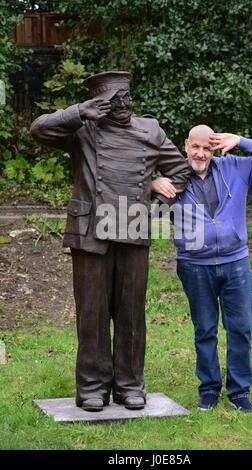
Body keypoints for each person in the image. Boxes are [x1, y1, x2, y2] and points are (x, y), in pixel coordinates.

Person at [30, 71, 190, 412]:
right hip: (90, 231)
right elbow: (38, 129)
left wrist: (151, 202)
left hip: (133, 227)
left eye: (127, 97)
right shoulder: (82, 130)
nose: (123, 105)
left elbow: (180, 172)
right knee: (92, 312)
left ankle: (130, 385)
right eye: (114, 100)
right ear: (99, 102)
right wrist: (79, 111)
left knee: (131, 313)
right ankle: (91, 387)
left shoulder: (150, 130)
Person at [152, 125, 252, 412]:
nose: (201, 154)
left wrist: (242, 140)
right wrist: (151, 185)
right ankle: (209, 389)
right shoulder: (175, 177)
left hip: (236, 262)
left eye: (207, 149)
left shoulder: (235, 167)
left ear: (214, 149)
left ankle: (239, 391)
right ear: (186, 145)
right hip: (195, 265)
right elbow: (141, 202)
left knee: (240, 329)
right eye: (196, 147)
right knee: (205, 329)